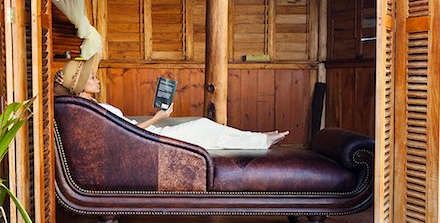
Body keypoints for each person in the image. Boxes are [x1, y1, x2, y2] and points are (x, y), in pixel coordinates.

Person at [54, 54, 289, 149]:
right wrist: (157, 118)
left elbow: (122, 129)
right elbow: (124, 133)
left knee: (202, 126)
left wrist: (156, 120)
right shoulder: (92, 110)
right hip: (148, 141)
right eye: (91, 78)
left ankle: (258, 138)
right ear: (80, 85)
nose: (97, 80)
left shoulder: (90, 108)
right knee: (204, 127)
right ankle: (260, 140)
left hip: (147, 136)